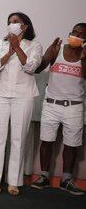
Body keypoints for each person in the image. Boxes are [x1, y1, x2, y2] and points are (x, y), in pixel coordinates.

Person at [0, 12, 42, 195]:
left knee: (18, 138)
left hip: (23, 95)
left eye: (16, 22)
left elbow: (31, 67)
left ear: (25, 26)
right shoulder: (2, 43)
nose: (12, 25)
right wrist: (10, 50)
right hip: (0, 93)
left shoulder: (35, 45)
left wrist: (18, 48)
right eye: (10, 22)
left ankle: (13, 182)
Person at [31, 23, 86, 195]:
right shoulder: (58, 49)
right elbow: (38, 69)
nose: (76, 35)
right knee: (46, 141)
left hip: (74, 106)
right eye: (74, 32)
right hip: (51, 104)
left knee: (71, 145)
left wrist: (84, 58)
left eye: (81, 34)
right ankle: (44, 176)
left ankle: (66, 180)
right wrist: (48, 53)